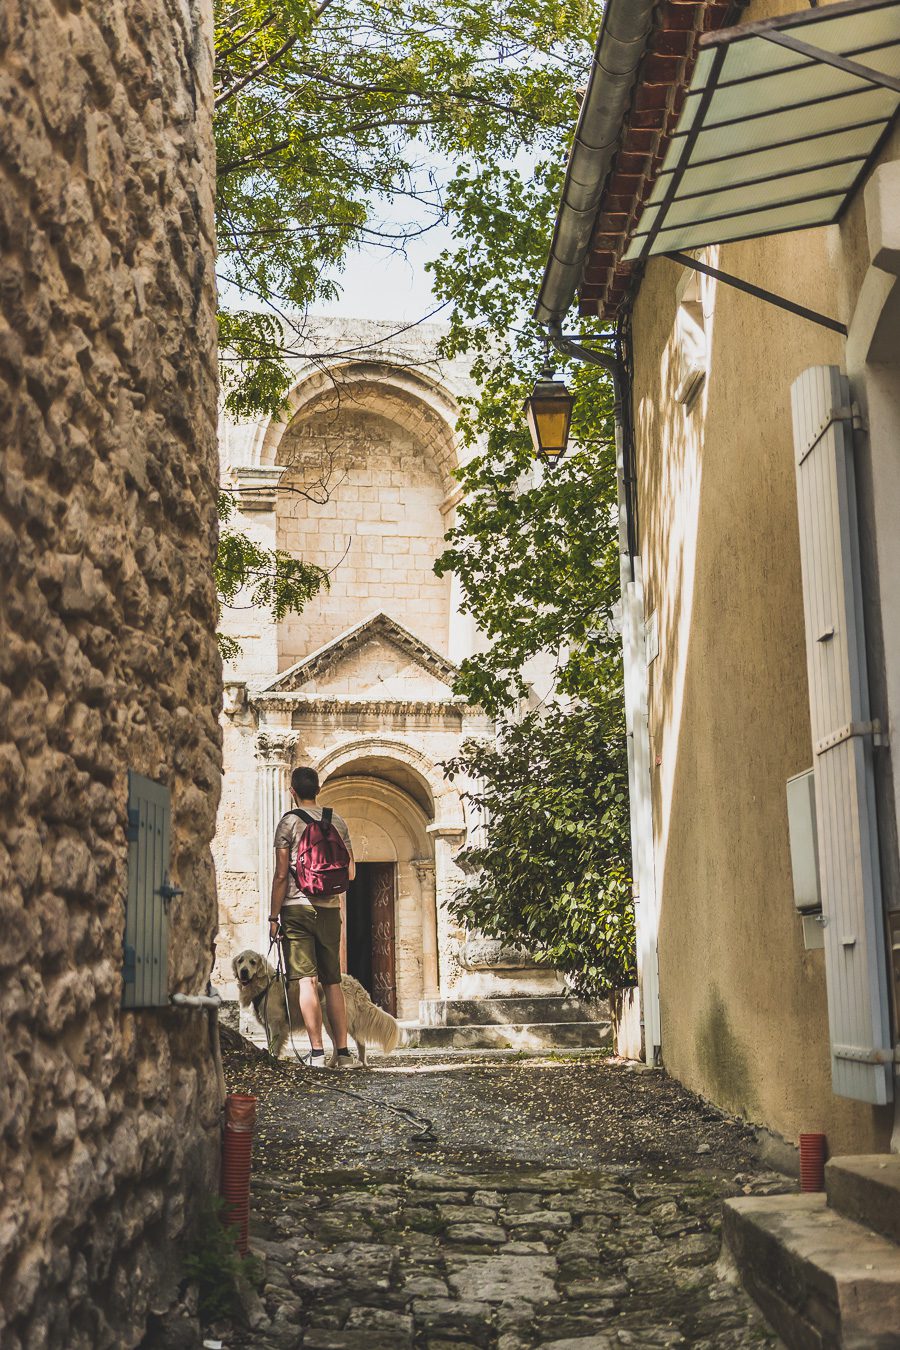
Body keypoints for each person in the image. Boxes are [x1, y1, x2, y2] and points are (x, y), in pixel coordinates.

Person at [269, 765, 356, 1068]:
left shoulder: (288, 824)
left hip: (296, 907)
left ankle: (317, 1053)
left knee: (307, 981)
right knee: (333, 982)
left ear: (292, 791)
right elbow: (351, 871)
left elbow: (281, 876)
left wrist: (272, 916)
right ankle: (343, 1054)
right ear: (318, 790)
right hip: (330, 908)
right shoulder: (338, 822)